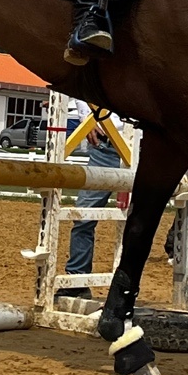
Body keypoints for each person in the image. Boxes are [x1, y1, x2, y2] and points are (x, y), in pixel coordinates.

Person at [56, 103, 124, 301]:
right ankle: (78, 280)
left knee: (139, 222)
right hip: (104, 148)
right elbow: (80, 92)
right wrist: (87, 119)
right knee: (83, 216)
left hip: (140, 145)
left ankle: (127, 285)